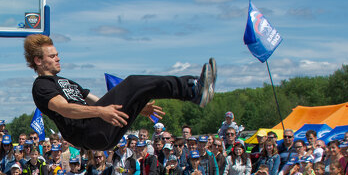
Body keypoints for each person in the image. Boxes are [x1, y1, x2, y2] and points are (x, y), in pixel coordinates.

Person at [26, 34, 216, 151]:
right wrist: (101, 112)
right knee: (133, 82)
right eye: (52, 56)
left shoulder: (66, 81)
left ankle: (194, 93)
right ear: (39, 61)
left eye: (57, 54)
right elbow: (65, 109)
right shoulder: (41, 86)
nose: (58, 59)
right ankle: (192, 89)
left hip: (100, 129)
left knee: (140, 91)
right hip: (88, 132)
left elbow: (98, 100)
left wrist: (136, 105)